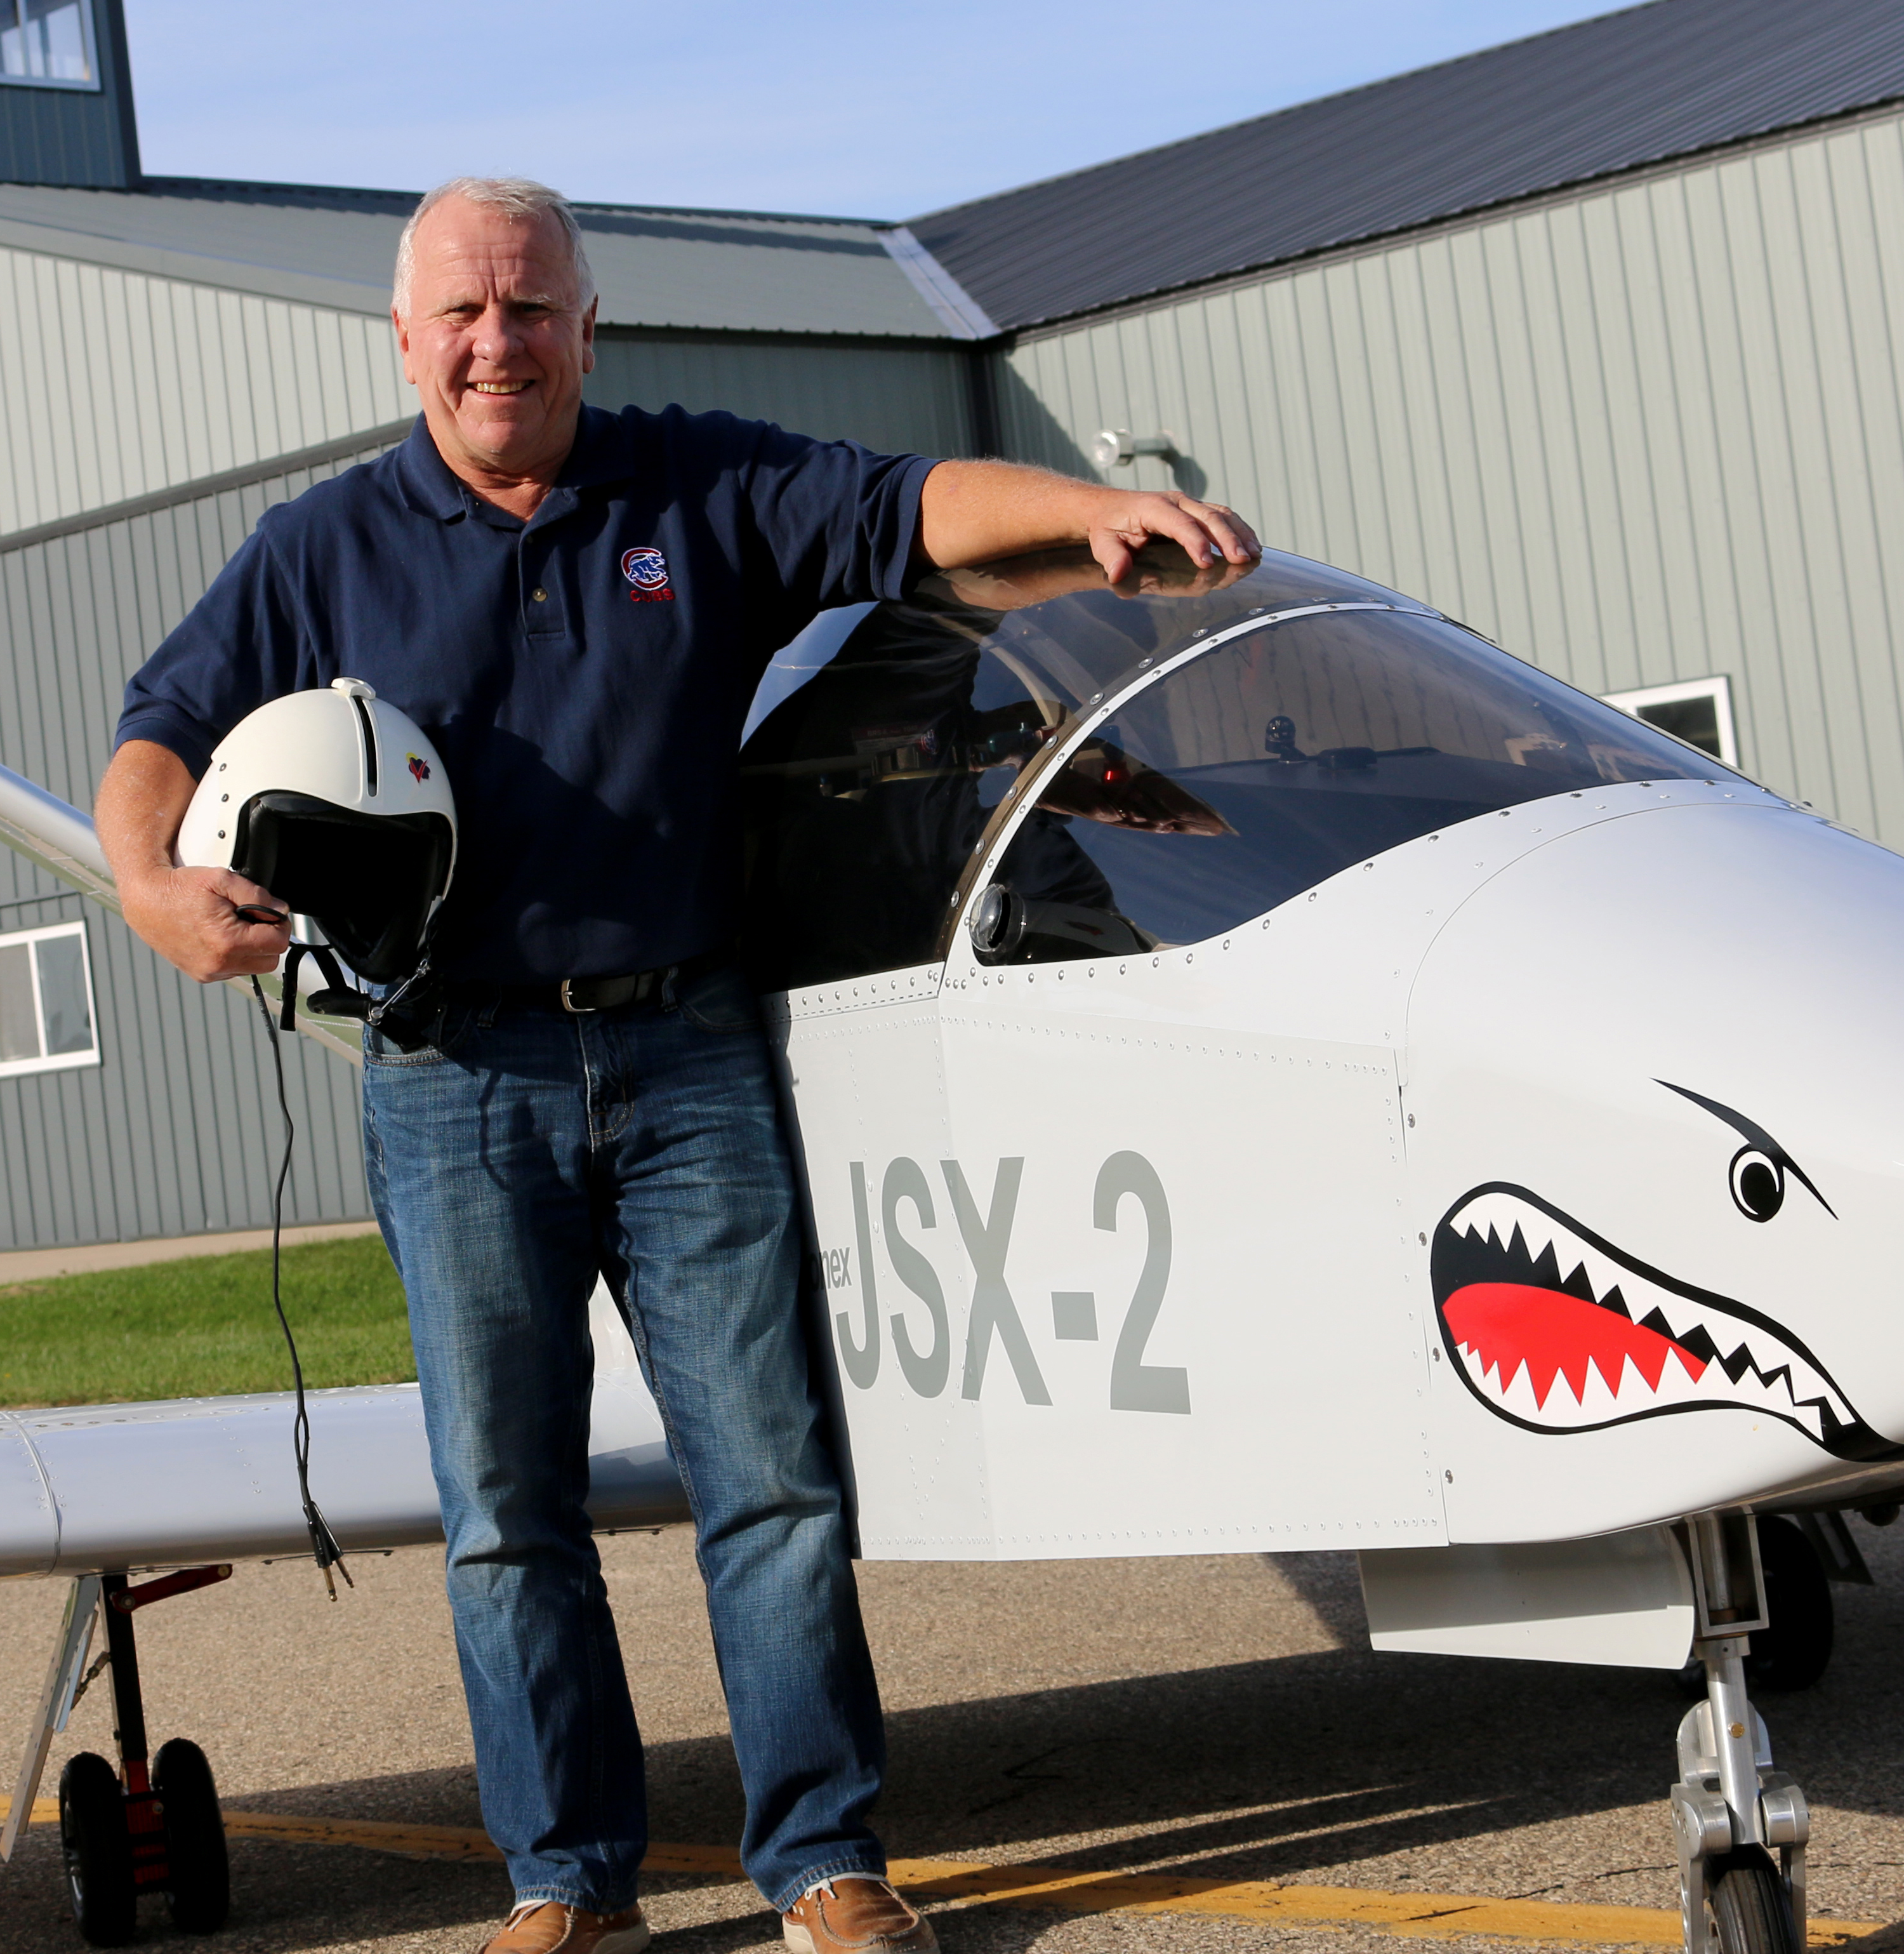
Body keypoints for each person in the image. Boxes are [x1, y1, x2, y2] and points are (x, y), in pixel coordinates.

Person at [98, 176, 1261, 1954]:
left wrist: (1096, 509)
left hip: (689, 1058)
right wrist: (145, 883)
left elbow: (908, 509)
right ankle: (566, 1883)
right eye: (464, 315)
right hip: (452, 1077)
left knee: (773, 1483)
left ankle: (822, 1859)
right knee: (509, 1516)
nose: (501, 343)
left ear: (587, 324)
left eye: (533, 308)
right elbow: (159, 729)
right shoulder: (320, 549)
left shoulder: (694, 487)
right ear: (405, 339)